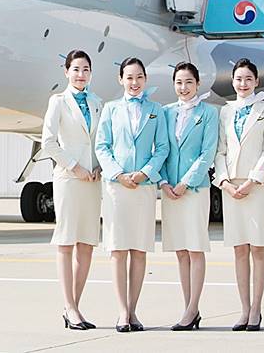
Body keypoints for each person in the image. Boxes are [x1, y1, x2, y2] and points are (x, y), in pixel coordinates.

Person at [95, 57, 170, 333]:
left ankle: (134, 310)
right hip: (117, 187)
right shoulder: (111, 109)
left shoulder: (156, 110)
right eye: (129, 77)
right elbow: (102, 146)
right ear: (120, 80)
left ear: (145, 79)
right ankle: (121, 312)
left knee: (139, 250)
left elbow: (162, 147)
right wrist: (118, 174)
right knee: (118, 249)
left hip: (143, 187)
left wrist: (145, 173)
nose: (134, 83)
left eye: (139, 77)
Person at [40, 49, 103, 330]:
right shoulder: (58, 102)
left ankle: (73, 306)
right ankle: (70, 306)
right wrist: (75, 167)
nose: (81, 74)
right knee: (66, 242)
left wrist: (99, 166)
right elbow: (48, 143)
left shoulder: (98, 103)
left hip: (92, 180)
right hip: (68, 178)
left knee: (87, 243)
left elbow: (101, 141)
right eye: (76, 69)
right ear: (66, 71)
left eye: (86, 69)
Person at [213, 58, 264, 332]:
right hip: (231, 187)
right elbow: (220, 150)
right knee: (239, 249)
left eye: (248, 79)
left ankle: (256, 309)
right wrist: (224, 182)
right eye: (238, 79)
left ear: (256, 82)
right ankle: (243, 309)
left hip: (256, 186)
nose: (242, 84)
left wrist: (252, 181)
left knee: (258, 247)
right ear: (233, 81)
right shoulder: (225, 112)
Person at [158, 62, 219, 331]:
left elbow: (208, 153)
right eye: (179, 83)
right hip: (170, 189)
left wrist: (185, 182)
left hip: (194, 189)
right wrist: (163, 181)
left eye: (188, 83)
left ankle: (193, 308)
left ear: (198, 84)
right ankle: (188, 309)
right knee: (180, 251)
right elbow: (159, 149)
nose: (183, 88)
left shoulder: (209, 113)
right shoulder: (165, 112)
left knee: (195, 249)